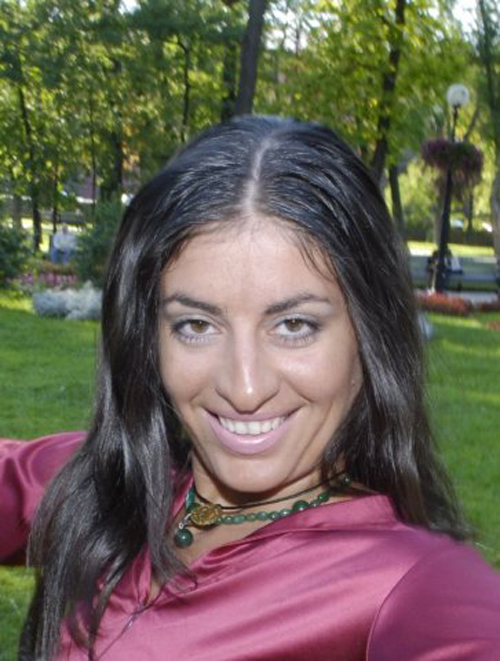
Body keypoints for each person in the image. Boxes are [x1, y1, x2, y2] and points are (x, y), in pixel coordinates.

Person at [1, 116, 499, 661]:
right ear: (149, 337)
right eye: (196, 325)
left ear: (368, 335)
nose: (244, 387)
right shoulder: (107, 482)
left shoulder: (410, 587)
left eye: (294, 325)